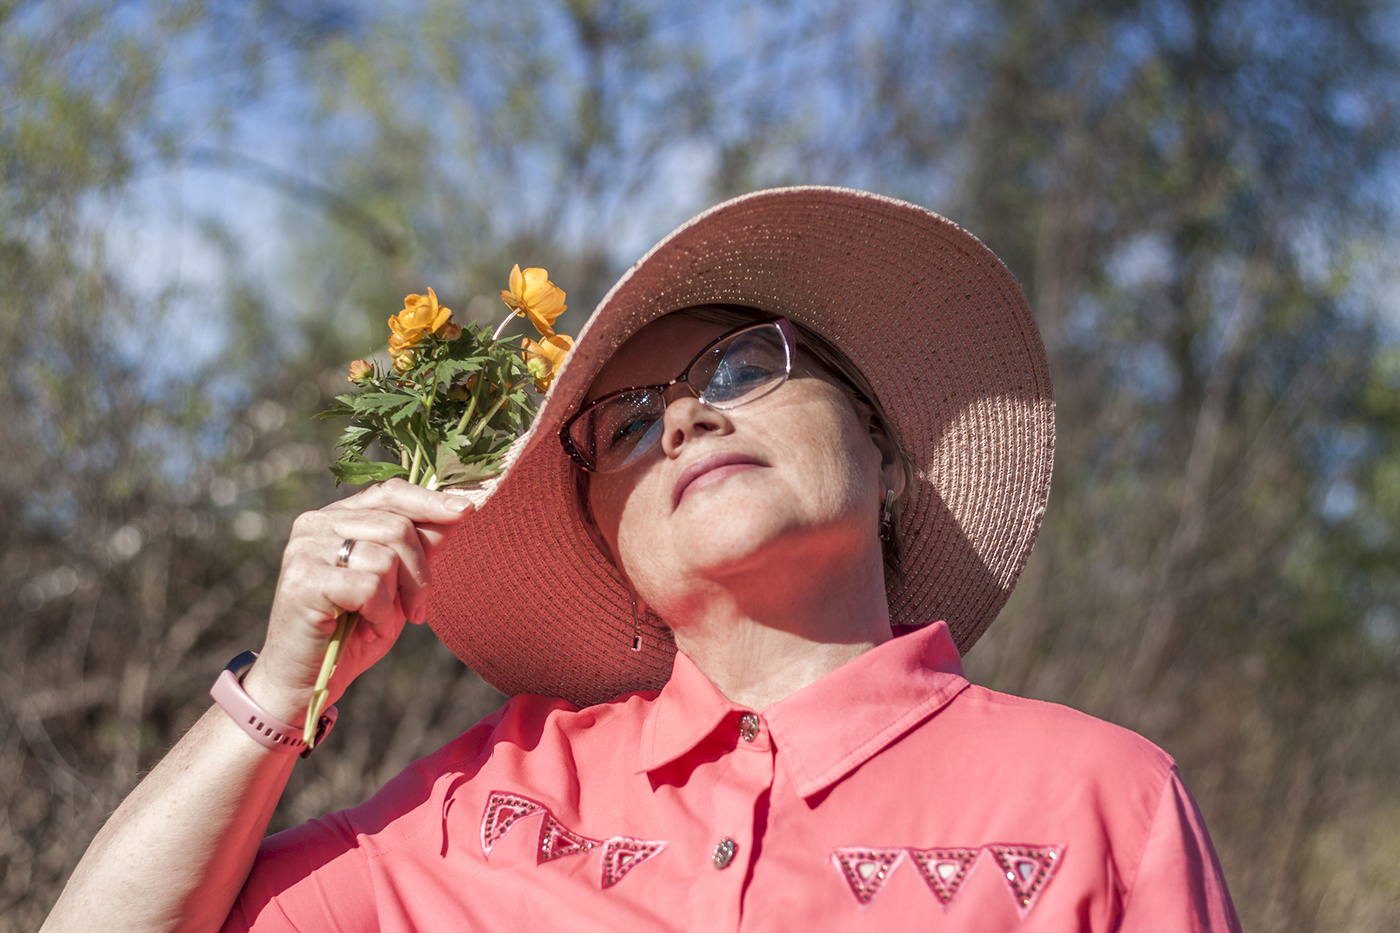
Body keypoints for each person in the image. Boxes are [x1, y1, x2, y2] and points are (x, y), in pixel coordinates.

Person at [43, 187, 1241, 932]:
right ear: (611, 544)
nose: (684, 420)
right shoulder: (490, 802)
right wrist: (275, 694)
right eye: (623, 427)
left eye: (739, 368)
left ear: (884, 456)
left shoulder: (1099, 798)